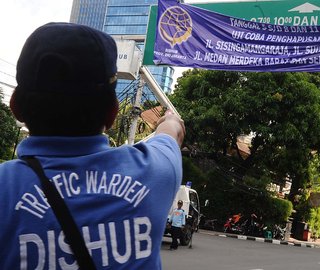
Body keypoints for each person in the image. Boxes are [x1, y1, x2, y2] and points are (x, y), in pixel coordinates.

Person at [0, 22, 185, 269]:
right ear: (112, 113)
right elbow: (172, 133)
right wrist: (170, 119)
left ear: (16, 106)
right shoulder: (156, 171)